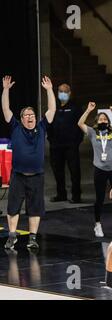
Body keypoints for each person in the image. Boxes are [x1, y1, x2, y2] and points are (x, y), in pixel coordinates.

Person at [1, 75, 56, 250]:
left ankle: (32, 238)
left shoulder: (41, 127)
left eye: (32, 114)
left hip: (37, 176)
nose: (30, 117)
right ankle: (12, 236)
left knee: (35, 208)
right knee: (13, 207)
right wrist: (6, 89)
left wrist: (49, 90)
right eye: (27, 115)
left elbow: (52, 110)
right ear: (22, 118)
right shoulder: (16, 127)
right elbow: (5, 108)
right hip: (18, 176)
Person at [78, 102, 112, 237]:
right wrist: (88, 110)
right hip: (99, 169)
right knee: (99, 198)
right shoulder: (92, 132)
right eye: (100, 119)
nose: (103, 121)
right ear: (96, 121)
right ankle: (98, 224)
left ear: (108, 122)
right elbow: (80, 123)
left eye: (105, 119)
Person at [47, 83, 83, 203]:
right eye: (60, 91)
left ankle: (76, 196)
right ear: (57, 93)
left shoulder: (76, 107)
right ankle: (61, 194)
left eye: (65, 91)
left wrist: (77, 141)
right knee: (58, 171)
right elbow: (49, 122)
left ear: (69, 93)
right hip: (56, 145)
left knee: (74, 171)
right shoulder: (54, 106)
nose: (62, 93)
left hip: (71, 146)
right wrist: (50, 139)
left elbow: (81, 125)